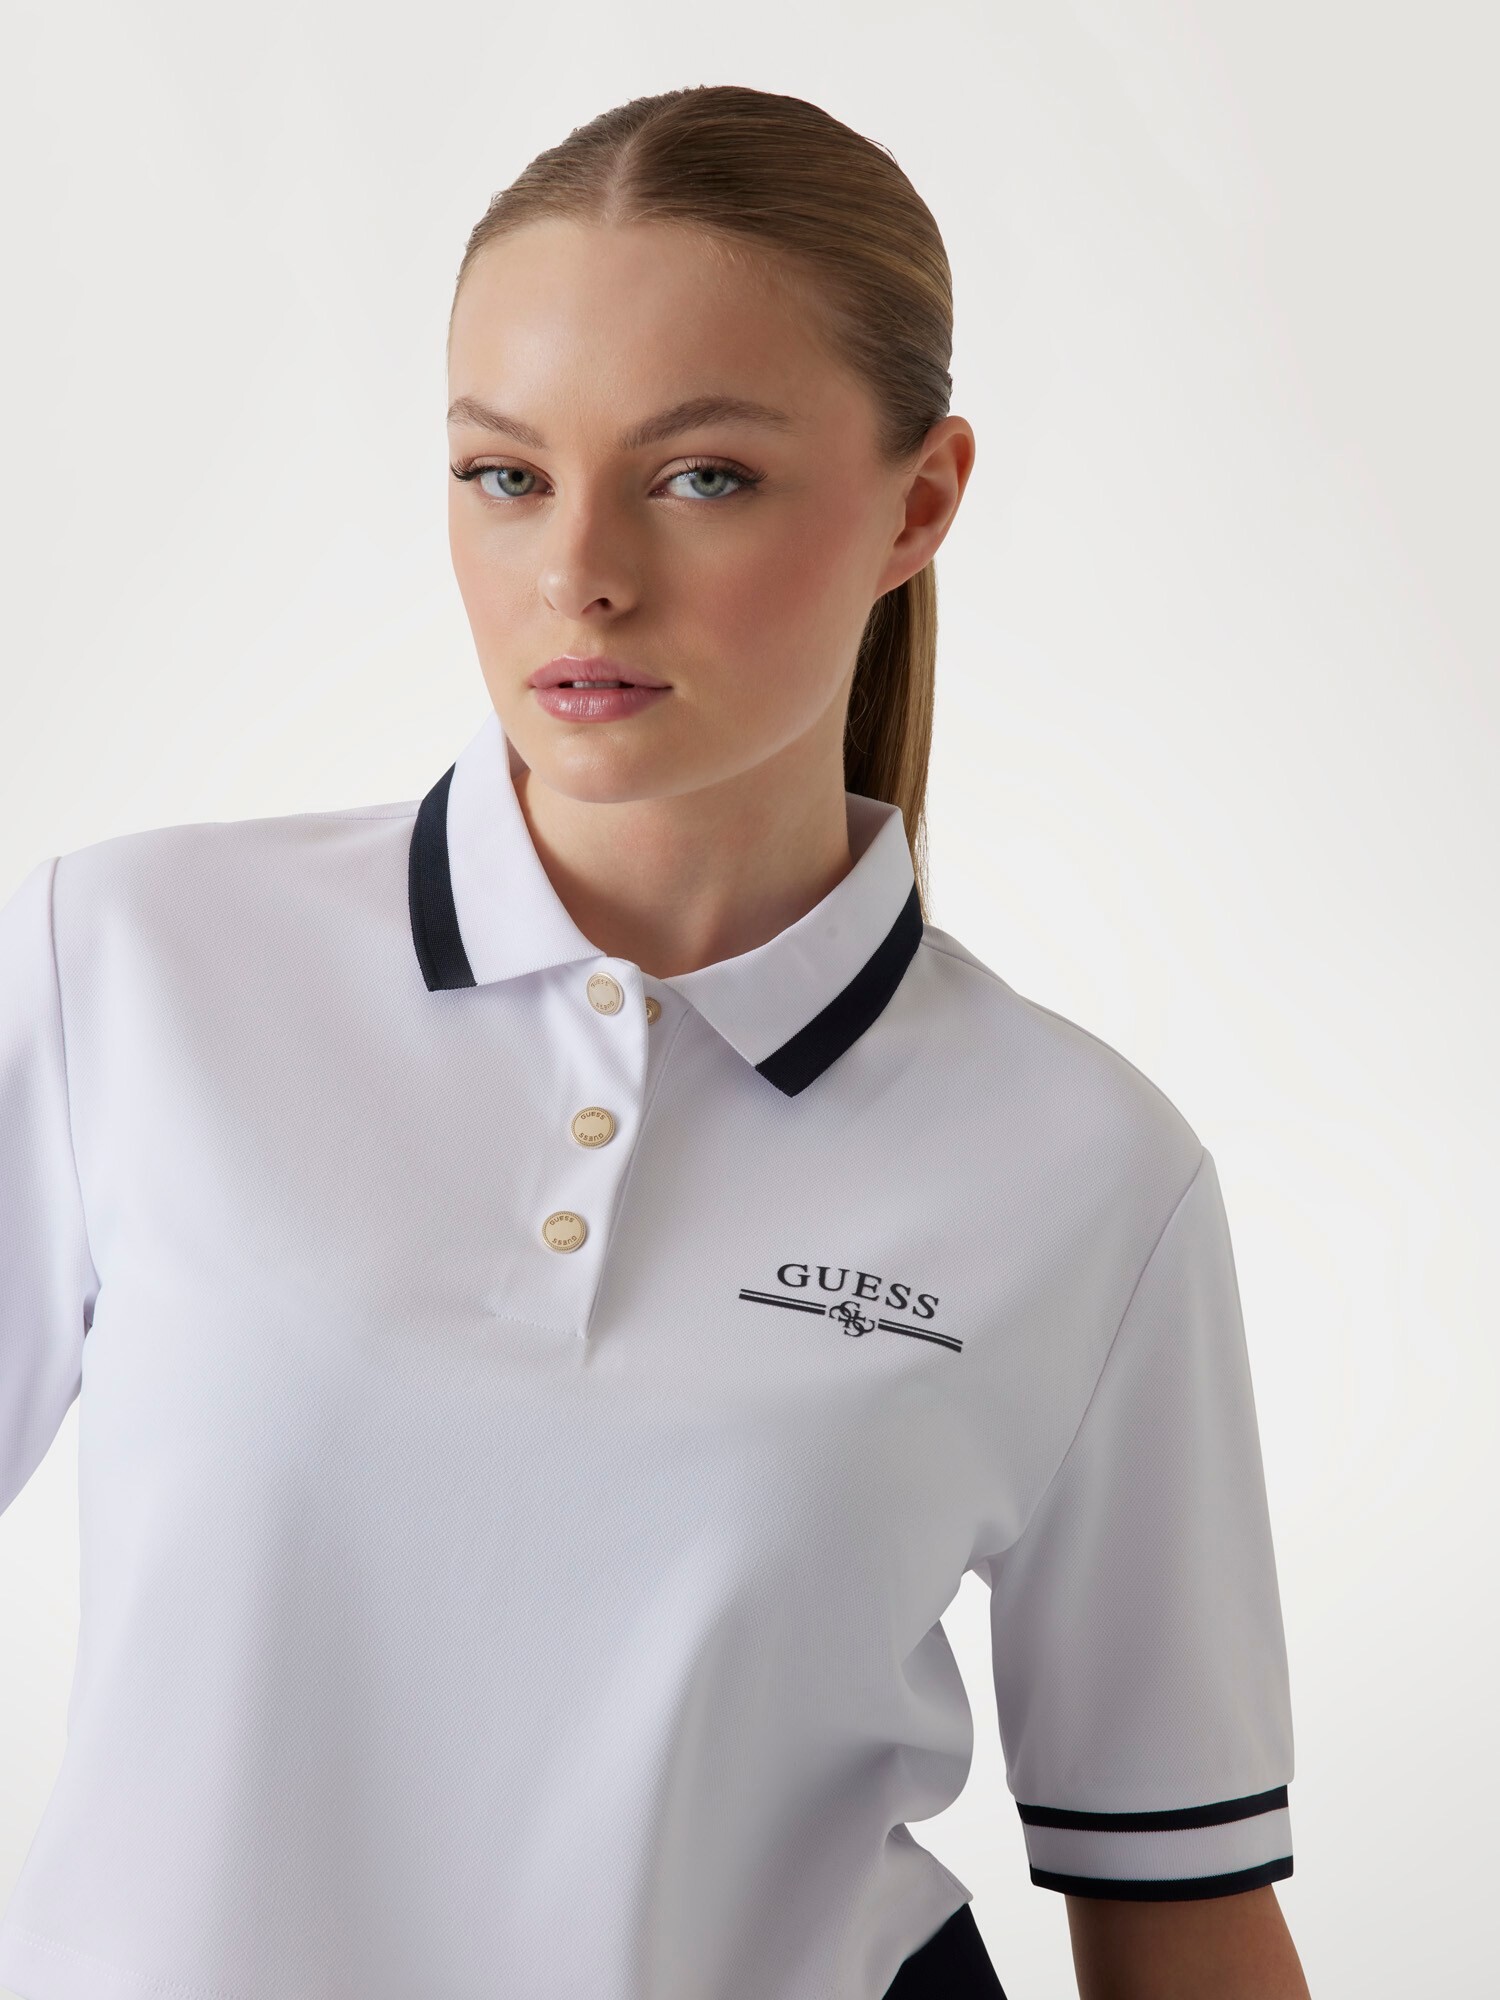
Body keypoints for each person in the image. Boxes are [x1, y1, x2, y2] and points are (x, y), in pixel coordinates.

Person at [0, 84, 1310, 2000]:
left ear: (920, 502)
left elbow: (1179, 1904)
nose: (581, 573)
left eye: (701, 477)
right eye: (505, 474)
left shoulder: (1090, 1175)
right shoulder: (128, 966)